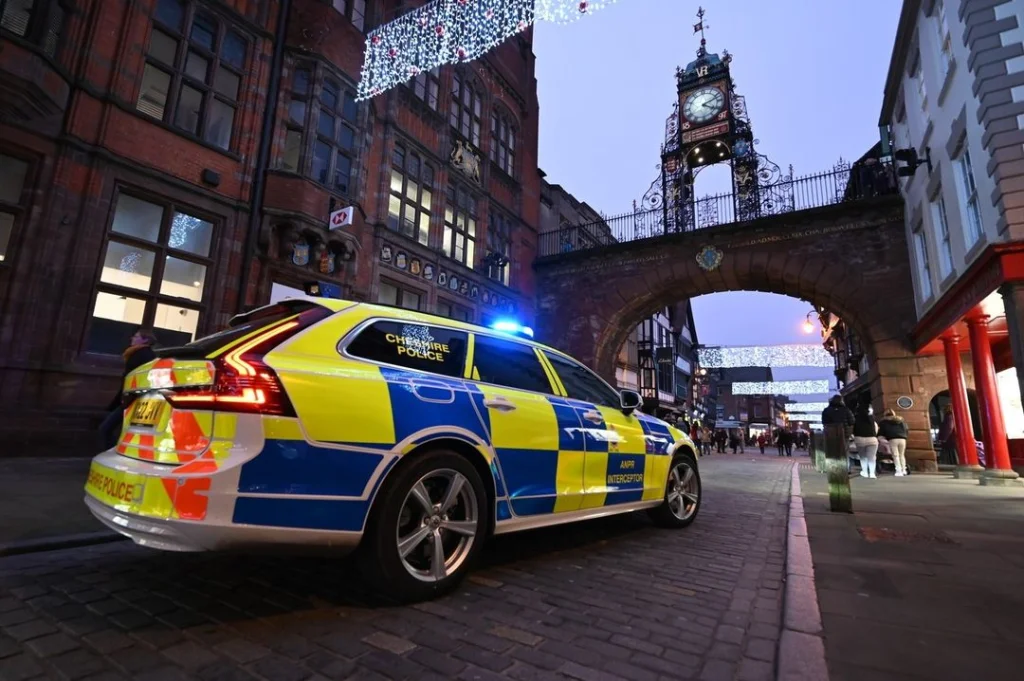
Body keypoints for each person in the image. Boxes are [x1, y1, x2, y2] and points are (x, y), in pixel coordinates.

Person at [98, 328, 159, 450]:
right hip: (129, 398)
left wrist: (125, 399)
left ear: (145, 340)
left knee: (106, 428)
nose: (132, 338)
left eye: (136, 336)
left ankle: (110, 453)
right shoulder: (136, 354)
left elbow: (138, 379)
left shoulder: (143, 355)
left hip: (132, 399)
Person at [853, 396, 879, 478]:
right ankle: (872, 473)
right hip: (872, 439)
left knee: (863, 457)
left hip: (859, 439)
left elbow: (853, 430)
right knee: (872, 457)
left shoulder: (856, 419)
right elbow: (876, 428)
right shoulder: (871, 419)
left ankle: (864, 472)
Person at [878, 408, 909, 476]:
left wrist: (881, 437)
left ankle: (898, 471)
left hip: (893, 439)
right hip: (903, 439)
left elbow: (881, 432)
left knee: (895, 455)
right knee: (902, 455)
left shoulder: (884, 422)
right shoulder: (901, 421)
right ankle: (904, 470)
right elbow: (906, 429)